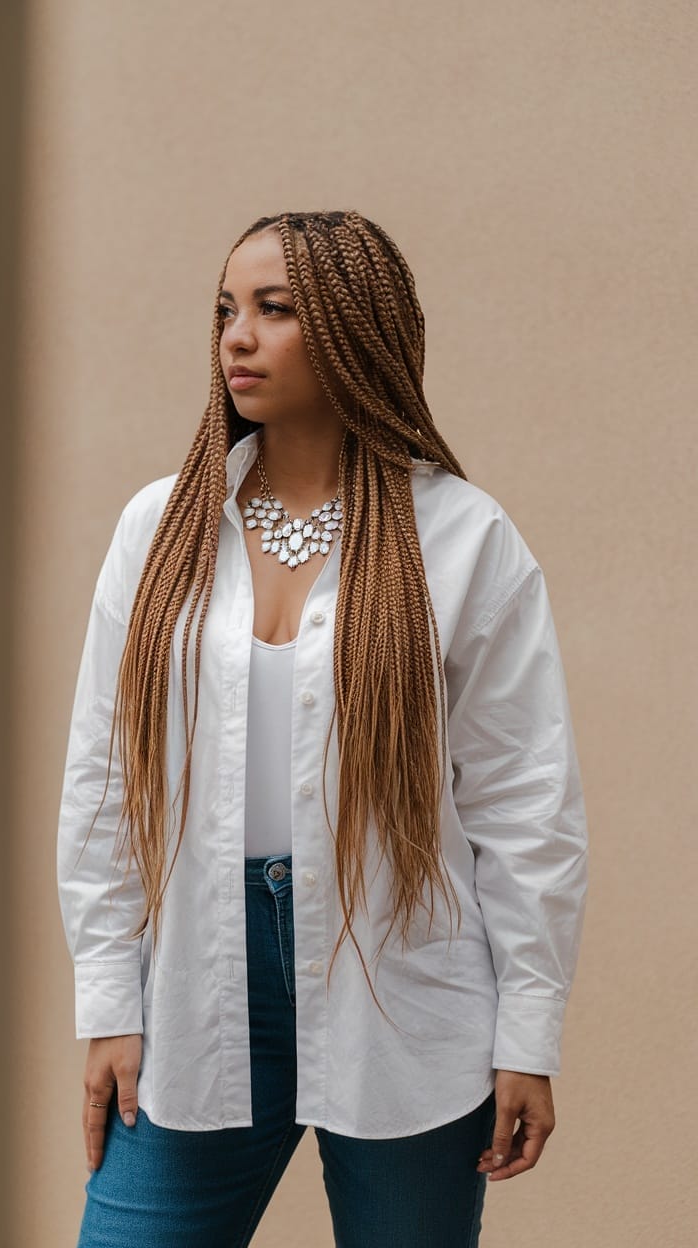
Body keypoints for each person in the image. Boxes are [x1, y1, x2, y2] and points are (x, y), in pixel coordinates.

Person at [56, 209, 588, 1247]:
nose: (236, 336)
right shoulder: (158, 529)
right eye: (225, 309)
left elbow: (525, 802)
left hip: (403, 982)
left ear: (354, 328)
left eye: (274, 308)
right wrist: (110, 1000)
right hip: (199, 977)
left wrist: (529, 1033)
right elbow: (103, 777)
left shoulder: (461, 537)